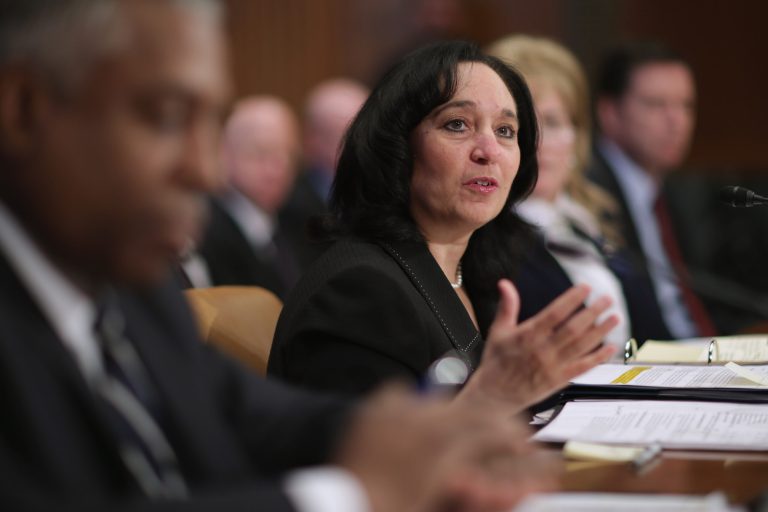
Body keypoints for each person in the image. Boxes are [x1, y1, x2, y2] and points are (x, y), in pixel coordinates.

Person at [0, 1, 558, 510]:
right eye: (166, 115)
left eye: (210, 123)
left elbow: (252, 413)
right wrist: (345, 492)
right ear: (24, 108)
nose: (206, 171)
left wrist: (420, 432)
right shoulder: (357, 282)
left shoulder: (137, 290)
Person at [268, 40, 618, 407]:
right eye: (457, 125)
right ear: (397, 147)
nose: (489, 151)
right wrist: (494, 400)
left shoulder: (480, 273)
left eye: (505, 131)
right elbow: (371, 442)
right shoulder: (359, 291)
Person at [485, 35, 670, 347]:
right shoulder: (484, 237)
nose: (537, 143)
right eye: (518, 125)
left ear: (577, 136)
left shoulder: (591, 220)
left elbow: (655, 336)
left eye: (552, 122)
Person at [588, 41, 717, 340]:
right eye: (657, 104)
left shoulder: (677, 194)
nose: (677, 121)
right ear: (609, 113)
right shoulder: (588, 192)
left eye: (686, 105)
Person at [195, 96, 302, 297]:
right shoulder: (206, 232)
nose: (278, 168)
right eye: (262, 153)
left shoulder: (294, 222)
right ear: (224, 154)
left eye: (289, 155)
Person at [281, 78, 369, 270]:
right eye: (347, 133)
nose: (359, 144)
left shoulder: (379, 190)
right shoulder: (288, 201)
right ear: (311, 139)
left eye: (365, 132)